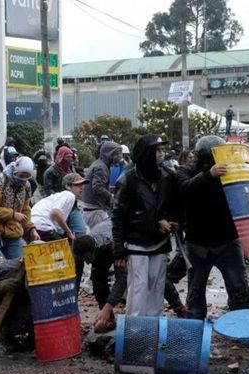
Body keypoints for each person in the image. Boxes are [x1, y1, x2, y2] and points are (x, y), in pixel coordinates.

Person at [178, 135, 249, 319]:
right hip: (198, 244)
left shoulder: (232, 172)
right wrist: (208, 175)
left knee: (238, 286)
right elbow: (184, 189)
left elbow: (246, 198)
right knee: (195, 289)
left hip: (227, 241)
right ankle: (195, 326)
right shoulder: (185, 172)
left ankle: (242, 321)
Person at [111, 134, 178, 317]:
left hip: (160, 243)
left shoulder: (168, 177)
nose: (161, 154)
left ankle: (153, 333)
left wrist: (171, 221)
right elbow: (118, 216)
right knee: (138, 291)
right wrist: (119, 249)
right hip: (136, 244)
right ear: (146, 153)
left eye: (162, 150)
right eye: (157, 150)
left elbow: (174, 206)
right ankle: (135, 335)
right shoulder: (128, 181)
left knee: (157, 290)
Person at [0, 156, 40, 300]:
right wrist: (12, 214)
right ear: (15, 170)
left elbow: (25, 210)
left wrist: (31, 229)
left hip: (13, 233)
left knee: (20, 268)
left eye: (26, 176)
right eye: (21, 175)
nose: (23, 178)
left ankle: (13, 303)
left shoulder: (26, 186)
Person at [72, 220, 127, 332]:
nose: (87, 263)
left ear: (93, 252)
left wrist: (108, 307)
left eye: (87, 259)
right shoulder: (85, 245)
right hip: (102, 243)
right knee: (97, 280)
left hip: (129, 241)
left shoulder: (113, 246)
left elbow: (121, 280)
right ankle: (109, 319)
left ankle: (173, 305)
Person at [31, 173, 88, 242]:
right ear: (68, 186)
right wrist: (69, 233)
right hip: (43, 225)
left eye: (82, 185)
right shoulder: (69, 195)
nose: (82, 188)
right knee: (63, 251)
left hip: (34, 227)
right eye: (78, 185)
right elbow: (55, 212)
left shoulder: (58, 196)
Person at [81, 141, 121, 228]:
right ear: (109, 154)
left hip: (92, 208)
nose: (119, 157)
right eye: (117, 154)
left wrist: (109, 188)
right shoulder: (101, 167)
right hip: (95, 211)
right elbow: (97, 187)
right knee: (101, 237)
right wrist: (111, 196)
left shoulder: (100, 164)